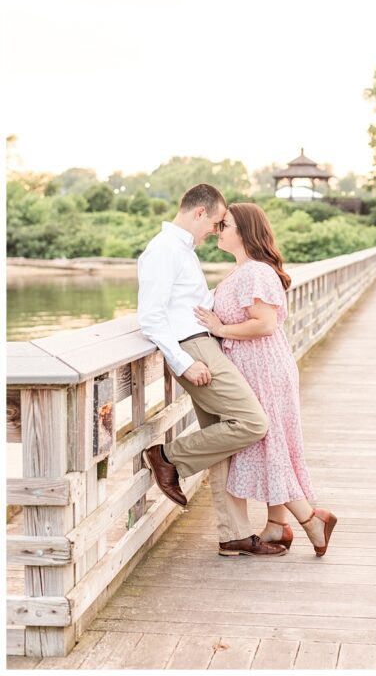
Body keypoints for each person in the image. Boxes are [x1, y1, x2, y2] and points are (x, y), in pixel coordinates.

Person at [138, 184, 286, 557]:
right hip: (194, 348)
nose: (217, 231)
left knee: (222, 440)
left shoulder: (181, 251)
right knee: (253, 423)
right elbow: (151, 317)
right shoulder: (163, 250)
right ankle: (166, 457)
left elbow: (188, 303)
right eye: (217, 222)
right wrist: (184, 362)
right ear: (199, 213)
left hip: (205, 344)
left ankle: (233, 534)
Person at [193, 202, 337, 556]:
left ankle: (310, 519)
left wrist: (219, 327)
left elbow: (265, 323)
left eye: (224, 224)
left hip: (263, 367)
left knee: (269, 444)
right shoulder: (243, 271)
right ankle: (276, 526)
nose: (217, 230)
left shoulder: (255, 272)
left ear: (243, 231)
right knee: (273, 444)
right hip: (256, 365)